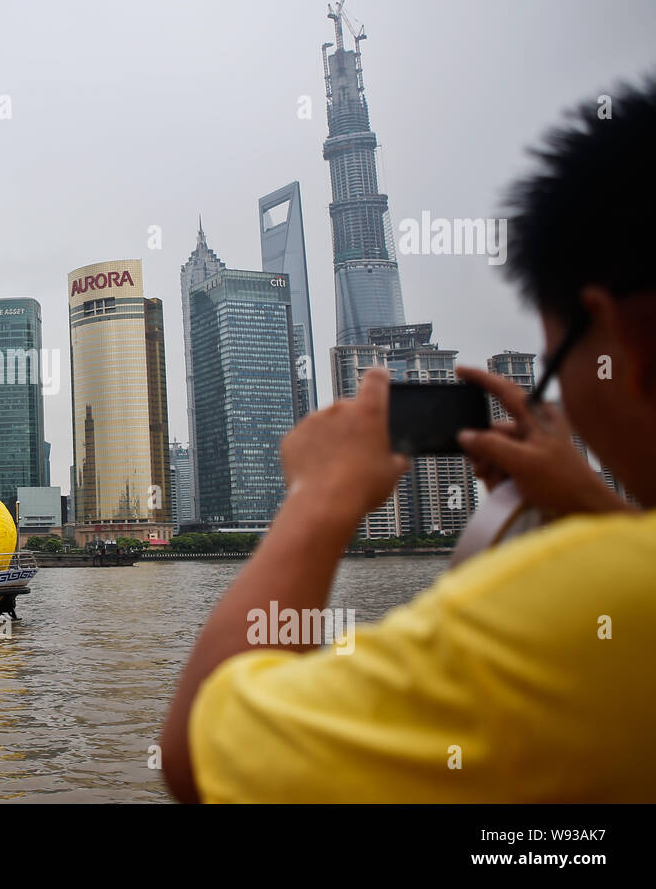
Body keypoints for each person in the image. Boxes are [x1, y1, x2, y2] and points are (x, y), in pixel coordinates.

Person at [161, 78, 656, 803]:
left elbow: (201, 752)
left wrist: (322, 498)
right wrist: (593, 510)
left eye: (555, 360)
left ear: (626, 337)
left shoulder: (583, 600)